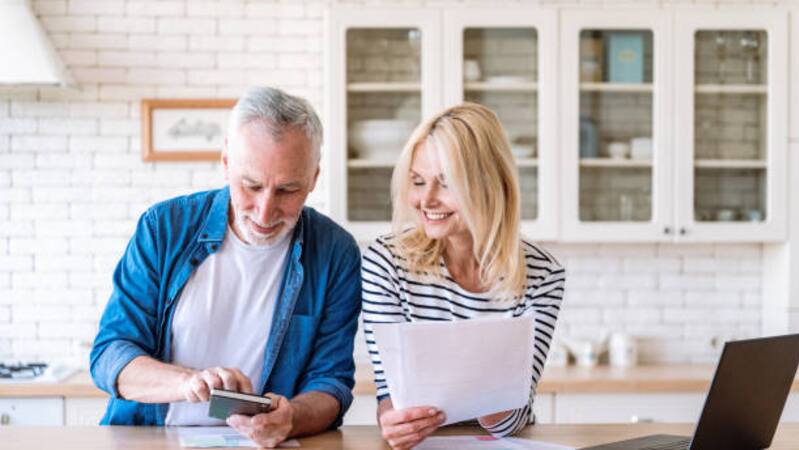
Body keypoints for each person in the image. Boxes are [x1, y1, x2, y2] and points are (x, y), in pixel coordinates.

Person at [90, 87, 362, 448]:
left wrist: (291, 418)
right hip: (151, 438)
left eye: (287, 190)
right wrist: (187, 383)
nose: (265, 212)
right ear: (226, 163)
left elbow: (331, 382)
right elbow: (110, 355)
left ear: (313, 179)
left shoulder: (335, 252)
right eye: (251, 186)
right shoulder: (164, 228)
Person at [362, 103, 566, 450]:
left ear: (490, 184)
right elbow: (390, 393)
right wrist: (393, 421)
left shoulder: (542, 274)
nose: (426, 200)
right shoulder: (387, 261)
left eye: (445, 183)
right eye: (418, 181)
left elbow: (514, 416)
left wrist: (485, 394)